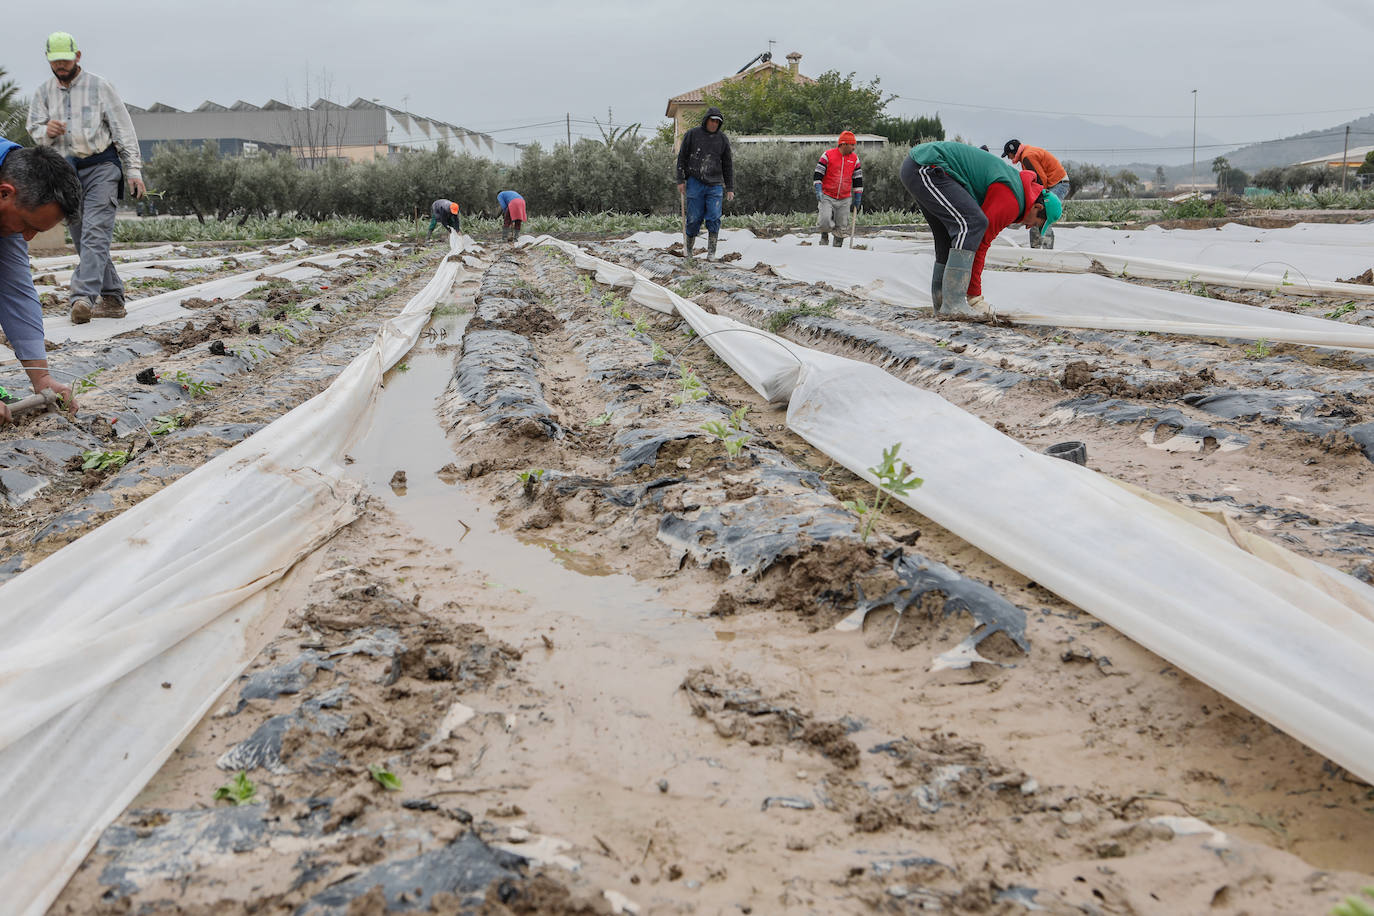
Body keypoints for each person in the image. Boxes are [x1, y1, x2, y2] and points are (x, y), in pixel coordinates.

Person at [28, 32, 146, 325]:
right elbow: (34, 127)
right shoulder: (43, 93)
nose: (61, 67)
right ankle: (114, 298)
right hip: (66, 170)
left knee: (96, 231)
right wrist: (46, 132)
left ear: (77, 56)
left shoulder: (100, 87)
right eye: (55, 62)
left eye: (65, 61)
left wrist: (133, 170)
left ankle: (81, 298)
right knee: (82, 237)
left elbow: (123, 130)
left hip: (102, 165)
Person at [899, 141, 1061, 317]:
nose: (1029, 226)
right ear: (1037, 207)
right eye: (1037, 223)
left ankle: (942, 304)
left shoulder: (1016, 192)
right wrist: (975, 298)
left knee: (948, 237)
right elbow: (981, 240)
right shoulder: (1013, 199)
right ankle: (953, 304)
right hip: (927, 167)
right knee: (972, 224)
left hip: (921, 167)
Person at [0, 140, 82, 425]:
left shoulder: (11, 186)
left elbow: (15, 289)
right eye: (28, 226)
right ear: (4, 194)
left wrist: (42, 377)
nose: (26, 238)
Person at [675, 107, 734, 260]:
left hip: (715, 184)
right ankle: (688, 249)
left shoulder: (722, 139)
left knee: (714, 217)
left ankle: (711, 253)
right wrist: (680, 180)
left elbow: (728, 164)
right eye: (712, 120)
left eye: (717, 122)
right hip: (695, 181)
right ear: (706, 120)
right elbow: (682, 158)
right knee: (694, 218)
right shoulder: (692, 135)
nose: (714, 124)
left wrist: (730, 187)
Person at [1002, 140, 1070, 248]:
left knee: (1043, 215)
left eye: (1008, 155)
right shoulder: (1026, 154)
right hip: (1055, 183)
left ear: (1013, 152)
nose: (1009, 158)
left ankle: (1045, 252)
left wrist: (1037, 198)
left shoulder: (1027, 156)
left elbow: (1040, 179)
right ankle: (1036, 250)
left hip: (1057, 183)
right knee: (1037, 215)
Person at [813, 130, 863, 247]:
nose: (854, 148)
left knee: (842, 226)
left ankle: (837, 247)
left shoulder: (855, 159)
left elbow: (858, 179)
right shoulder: (828, 155)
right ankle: (824, 235)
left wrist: (858, 196)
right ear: (843, 144)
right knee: (824, 221)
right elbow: (817, 175)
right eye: (852, 145)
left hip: (845, 198)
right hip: (827, 195)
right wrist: (818, 189)